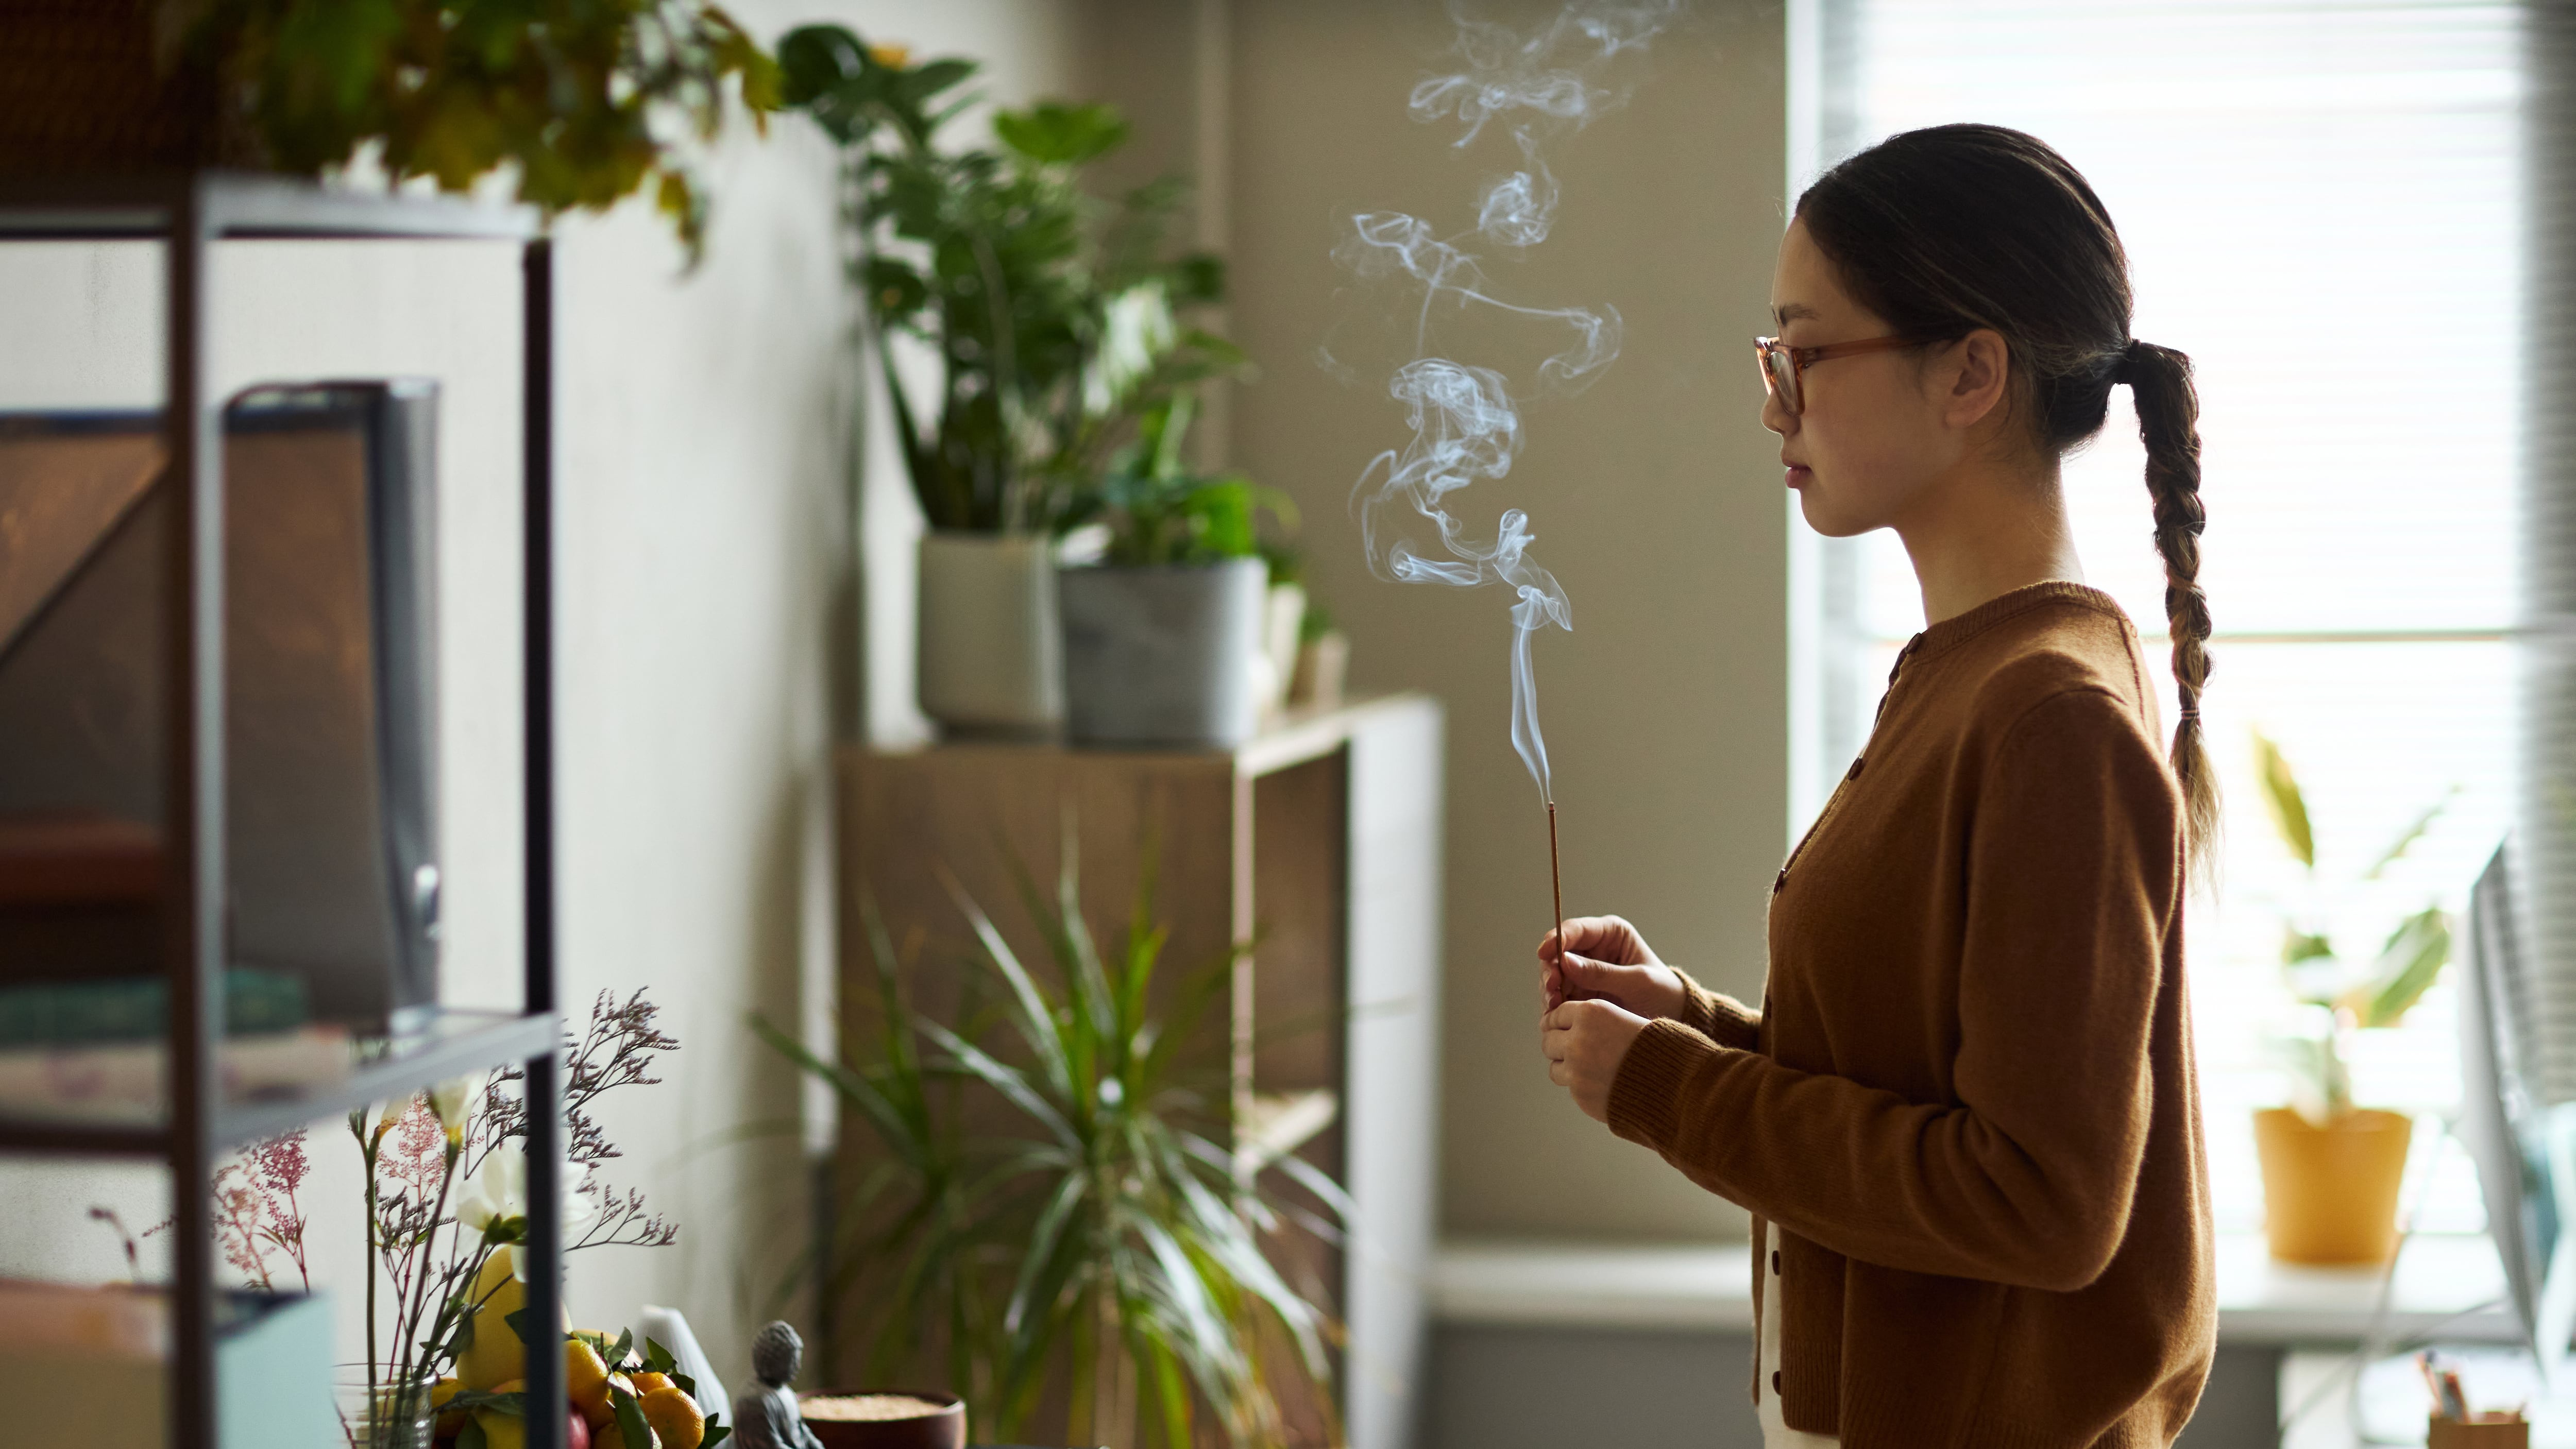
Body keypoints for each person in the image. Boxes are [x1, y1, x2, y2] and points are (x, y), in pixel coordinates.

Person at [1537, 124, 2218, 1447]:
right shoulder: (1972, 675)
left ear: (1970, 372)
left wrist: (1671, 1090)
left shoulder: (2049, 717)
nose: (1772, 401)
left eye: (1805, 351)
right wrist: (1688, 1028)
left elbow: (2036, 1200)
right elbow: (1923, 1093)